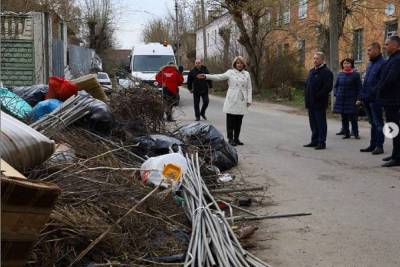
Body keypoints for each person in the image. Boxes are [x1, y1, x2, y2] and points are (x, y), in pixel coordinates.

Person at [197, 56, 252, 146]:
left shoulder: (246, 74)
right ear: (235, 64)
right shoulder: (230, 72)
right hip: (232, 98)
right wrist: (206, 76)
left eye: (241, 63)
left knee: (239, 120)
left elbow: (249, 87)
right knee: (230, 120)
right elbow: (219, 77)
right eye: (238, 63)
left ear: (243, 64)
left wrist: (249, 99)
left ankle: (236, 138)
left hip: (242, 99)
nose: (239, 65)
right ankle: (230, 139)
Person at [375, 35, 400, 167]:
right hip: (389, 99)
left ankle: (398, 157)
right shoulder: (391, 59)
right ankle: (395, 153)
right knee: (393, 128)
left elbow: (390, 79)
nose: (385, 47)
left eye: (387, 44)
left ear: (396, 45)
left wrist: (379, 89)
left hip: (394, 100)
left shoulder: (397, 60)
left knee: (395, 128)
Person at [357, 42, 385, 155]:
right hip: (367, 99)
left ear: (377, 50)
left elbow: (380, 84)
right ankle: (372, 144)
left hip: (376, 99)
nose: (367, 53)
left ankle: (379, 146)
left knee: (378, 123)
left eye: (369, 50)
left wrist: (370, 95)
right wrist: (361, 96)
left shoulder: (383, 64)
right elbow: (366, 82)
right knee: (372, 123)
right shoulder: (370, 64)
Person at [304, 52, 334, 150]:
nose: (314, 60)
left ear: (322, 60)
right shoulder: (312, 71)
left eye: (317, 58)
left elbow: (327, 88)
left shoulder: (326, 72)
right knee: (313, 122)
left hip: (319, 102)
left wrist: (317, 96)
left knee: (320, 123)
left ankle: (322, 142)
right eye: (314, 58)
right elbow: (307, 85)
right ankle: (314, 141)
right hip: (310, 102)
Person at [333, 58, 362, 139]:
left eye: (348, 63)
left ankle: (356, 133)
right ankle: (346, 134)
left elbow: (359, 88)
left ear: (351, 64)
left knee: (353, 118)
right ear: (342, 65)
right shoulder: (340, 74)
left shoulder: (355, 75)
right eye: (344, 63)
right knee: (344, 118)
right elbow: (336, 86)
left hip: (352, 100)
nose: (346, 65)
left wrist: (358, 99)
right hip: (341, 99)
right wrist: (336, 93)